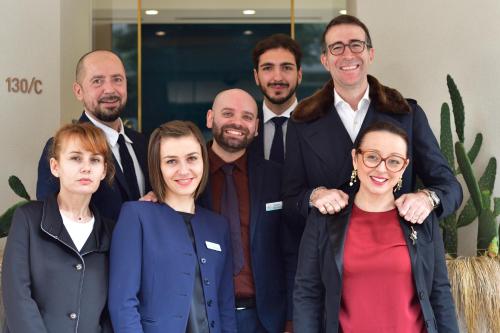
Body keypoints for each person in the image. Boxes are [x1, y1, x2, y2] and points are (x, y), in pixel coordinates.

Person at [283, 15, 462, 226]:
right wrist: (314, 196)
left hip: (395, 248)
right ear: (325, 60)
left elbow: (449, 186)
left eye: (356, 45)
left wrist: (427, 199)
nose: (348, 54)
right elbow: (290, 198)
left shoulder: (407, 114)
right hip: (327, 253)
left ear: (370, 53)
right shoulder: (302, 121)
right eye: (337, 47)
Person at [293, 121, 459, 333]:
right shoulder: (323, 218)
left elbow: (439, 292)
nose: (381, 168)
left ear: (404, 167)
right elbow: (307, 293)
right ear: (355, 158)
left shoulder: (421, 218)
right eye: (372, 157)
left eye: (394, 161)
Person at [108, 120, 236, 333]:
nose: (183, 170)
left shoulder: (218, 226)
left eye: (192, 158)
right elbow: (123, 304)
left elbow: (225, 306)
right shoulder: (136, 216)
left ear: (203, 161)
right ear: (156, 166)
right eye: (171, 161)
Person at [198, 89, 297, 332]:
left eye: (246, 117)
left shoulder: (276, 177)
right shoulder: (188, 176)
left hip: (265, 319)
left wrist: (292, 318)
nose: (237, 123)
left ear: (256, 127)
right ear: (210, 118)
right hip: (203, 317)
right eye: (228, 113)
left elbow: (291, 251)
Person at [2, 123, 115, 333]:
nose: (86, 167)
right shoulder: (27, 218)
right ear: (55, 166)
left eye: (95, 160)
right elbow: (17, 295)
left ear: (103, 171)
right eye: (75, 158)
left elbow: (110, 311)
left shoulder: (110, 232)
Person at [37, 50, 150, 221]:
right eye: (97, 81)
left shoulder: (146, 144)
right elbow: (52, 220)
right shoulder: (62, 148)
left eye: (117, 79)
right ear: (78, 91)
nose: (110, 89)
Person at [249, 33, 303, 164]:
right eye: (268, 68)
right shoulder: (245, 128)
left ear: (299, 75)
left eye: (286, 68)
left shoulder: (318, 126)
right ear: (256, 76)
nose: (277, 77)